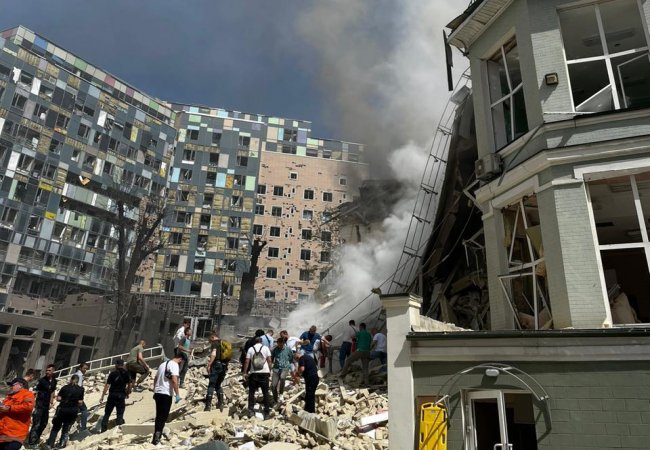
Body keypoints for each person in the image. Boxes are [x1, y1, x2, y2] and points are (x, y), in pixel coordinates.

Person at [45, 374, 83, 450]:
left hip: (62, 410)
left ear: (71, 379)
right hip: (72, 411)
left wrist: (64, 400)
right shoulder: (81, 389)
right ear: (78, 381)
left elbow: (58, 398)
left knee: (55, 427)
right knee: (66, 428)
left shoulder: (65, 387)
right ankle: (62, 445)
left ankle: (50, 444)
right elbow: (80, 402)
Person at [152, 354, 183, 445]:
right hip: (166, 393)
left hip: (158, 393)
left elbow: (155, 378)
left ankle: (156, 436)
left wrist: (155, 390)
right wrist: (177, 394)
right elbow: (174, 380)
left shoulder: (162, 364)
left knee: (159, 415)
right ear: (180, 359)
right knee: (163, 416)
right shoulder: (175, 365)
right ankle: (157, 438)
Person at [0, 378, 35, 450]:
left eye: (12, 385)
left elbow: (28, 407)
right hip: (3, 436)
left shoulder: (27, 394)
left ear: (20, 385)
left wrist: (10, 408)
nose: (11, 387)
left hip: (15, 436)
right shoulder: (9, 397)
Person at [242, 336, 272, 418]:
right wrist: (269, 371)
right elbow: (269, 360)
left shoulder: (251, 349)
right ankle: (266, 413)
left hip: (254, 373)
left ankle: (251, 411)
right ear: (261, 341)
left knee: (251, 393)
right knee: (265, 393)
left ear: (255, 342)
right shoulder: (266, 348)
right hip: (264, 373)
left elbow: (247, 361)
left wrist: (245, 372)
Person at [27, 365, 56, 446]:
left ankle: (36, 440)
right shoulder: (42, 381)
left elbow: (52, 390)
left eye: (49, 370)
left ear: (53, 371)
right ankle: (31, 443)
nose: (47, 372)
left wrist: (51, 401)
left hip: (46, 406)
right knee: (36, 423)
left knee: (44, 423)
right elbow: (35, 391)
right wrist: (33, 404)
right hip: (39, 405)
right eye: (47, 370)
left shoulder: (54, 381)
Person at [99, 359, 131, 433]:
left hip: (112, 395)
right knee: (120, 413)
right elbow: (129, 385)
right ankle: (118, 430)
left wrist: (102, 396)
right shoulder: (126, 373)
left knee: (107, 413)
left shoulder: (112, 374)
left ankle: (103, 430)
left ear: (116, 365)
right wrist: (127, 393)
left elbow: (107, 386)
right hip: (121, 396)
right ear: (123, 365)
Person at [205, 332, 228, 412]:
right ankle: (220, 404)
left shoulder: (215, 343)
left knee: (211, 385)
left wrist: (209, 364)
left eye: (209, 339)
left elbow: (214, 354)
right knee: (218, 385)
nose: (209, 341)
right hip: (224, 366)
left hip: (216, 365)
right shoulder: (224, 343)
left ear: (212, 337)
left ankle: (208, 406)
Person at [270, 337, 293, 404]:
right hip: (276, 368)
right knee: (273, 385)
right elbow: (271, 358)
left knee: (282, 378)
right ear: (277, 343)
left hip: (285, 367)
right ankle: (275, 399)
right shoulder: (275, 350)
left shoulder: (288, 349)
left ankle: (281, 394)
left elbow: (291, 357)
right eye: (279, 344)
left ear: (283, 343)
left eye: (281, 345)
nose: (280, 346)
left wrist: (288, 364)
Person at [72, 363, 89, 431]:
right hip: (77, 397)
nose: (85, 370)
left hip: (72, 396)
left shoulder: (75, 374)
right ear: (80, 368)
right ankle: (83, 427)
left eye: (86, 369)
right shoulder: (80, 376)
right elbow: (78, 388)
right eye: (84, 368)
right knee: (84, 410)